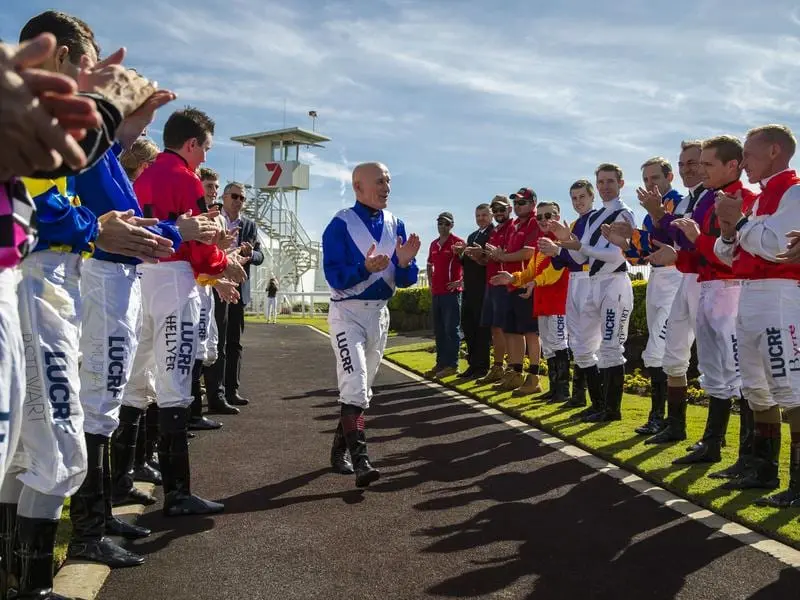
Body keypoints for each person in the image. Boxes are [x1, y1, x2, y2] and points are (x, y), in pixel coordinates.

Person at [126, 106, 245, 518]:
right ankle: (178, 494)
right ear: (191, 144)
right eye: (206, 149)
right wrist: (223, 263)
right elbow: (197, 242)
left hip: (138, 279)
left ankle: (125, 475)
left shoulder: (144, 175)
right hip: (175, 281)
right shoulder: (186, 178)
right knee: (175, 383)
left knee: (137, 380)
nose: (206, 158)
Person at [714, 124, 800, 505]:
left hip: (778, 296)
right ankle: (762, 470)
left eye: (749, 153)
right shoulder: (760, 197)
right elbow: (728, 254)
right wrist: (732, 229)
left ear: (774, 151)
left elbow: (774, 247)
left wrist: (744, 224)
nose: (744, 161)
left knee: (790, 387)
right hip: (750, 294)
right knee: (755, 386)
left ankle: (797, 484)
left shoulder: (793, 191)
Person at [322, 162, 420, 487]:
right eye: (379, 181)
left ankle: (339, 451)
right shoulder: (340, 224)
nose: (386, 187)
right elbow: (335, 276)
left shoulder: (396, 224)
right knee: (355, 383)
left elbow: (405, 279)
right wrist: (363, 268)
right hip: (347, 314)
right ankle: (361, 461)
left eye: (389, 181)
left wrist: (405, 263)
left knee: (361, 392)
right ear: (359, 186)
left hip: (379, 315)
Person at [663, 136, 756, 465]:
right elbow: (697, 256)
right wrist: (681, 252)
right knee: (713, 371)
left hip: (730, 291)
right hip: (707, 288)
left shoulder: (744, 199)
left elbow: (731, 256)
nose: (701, 169)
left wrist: (696, 241)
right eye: (698, 163)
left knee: (742, 375)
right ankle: (712, 445)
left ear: (732, 165)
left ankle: (748, 457)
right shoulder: (711, 200)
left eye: (707, 164)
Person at [546, 164, 635, 422]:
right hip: (594, 283)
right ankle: (597, 404)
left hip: (614, 282)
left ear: (620, 183)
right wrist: (565, 240)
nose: (605, 186)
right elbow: (579, 255)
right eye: (601, 182)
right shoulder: (595, 218)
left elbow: (615, 254)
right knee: (582, 347)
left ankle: (611, 410)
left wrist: (580, 245)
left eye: (610, 181)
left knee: (611, 348)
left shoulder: (624, 213)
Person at [492, 202, 570, 401]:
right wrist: (513, 278)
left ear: (558, 216)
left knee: (559, 346)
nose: (544, 220)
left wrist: (535, 281)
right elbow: (530, 272)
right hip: (542, 303)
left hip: (558, 304)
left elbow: (554, 272)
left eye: (549, 216)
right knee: (551, 347)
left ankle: (562, 391)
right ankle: (552, 389)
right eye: (541, 217)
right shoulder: (540, 244)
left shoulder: (561, 242)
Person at [538, 180, 601, 410]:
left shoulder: (595, 219)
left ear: (591, 196)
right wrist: (557, 251)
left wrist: (559, 249)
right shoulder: (574, 224)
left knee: (587, 343)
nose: (578, 202)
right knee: (576, 342)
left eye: (582, 197)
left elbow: (582, 256)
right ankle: (578, 396)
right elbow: (564, 260)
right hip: (575, 282)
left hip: (588, 281)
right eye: (574, 198)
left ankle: (591, 400)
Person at [205, 182, 264, 413]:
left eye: (242, 198)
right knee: (215, 343)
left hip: (239, 289)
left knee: (234, 343)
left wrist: (250, 254)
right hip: (216, 287)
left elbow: (261, 256)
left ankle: (231, 390)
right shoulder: (212, 218)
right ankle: (215, 394)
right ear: (224, 197)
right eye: (235, 196)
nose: (239, 201)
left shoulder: (249, 225)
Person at [485, 188, 541, 394]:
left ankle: (534, 378)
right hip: (510, 284)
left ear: (533, 203)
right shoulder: (516, 224)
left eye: (522, 202)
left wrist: (502, 257)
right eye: (516, 203)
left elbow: (529, 252)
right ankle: (516, 373)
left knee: (530, 331)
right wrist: (501, 256)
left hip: (526, 283)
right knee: (511, 330)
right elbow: (508, 252)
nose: (518, 207)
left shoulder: (534, 222)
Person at [453, 204, 493, 379]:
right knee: (469, 327)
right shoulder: (472, 235)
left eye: (484, 215)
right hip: (469, 288)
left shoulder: (493, 234)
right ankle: (473, 364)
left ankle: (482, 366)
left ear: (490, 215)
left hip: (483, 288)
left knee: (481, 329)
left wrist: (478, 254)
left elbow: (489, 260)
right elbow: (466, 263)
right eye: (478, 215)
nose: (481, 218)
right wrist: (461, 253)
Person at [476, 196, 513, 385]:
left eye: (502, 209)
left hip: (504, 284)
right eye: (495, 209)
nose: (499, 213)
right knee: (495, 328)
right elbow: (489, 260)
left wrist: (498, 256)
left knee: (505, 329)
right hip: (491, 284)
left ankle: (510, 369)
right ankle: (497, 367)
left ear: (510, 209)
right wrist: (479, 257)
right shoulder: (495, 231)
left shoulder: (512, 228)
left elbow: (510, 256)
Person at [425, 212, 464, 379]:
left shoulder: (458, 243)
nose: (443, 226)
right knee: (439, 330)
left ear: (452, 225)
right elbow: (429, 264)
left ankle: (452, 365)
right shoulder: (433, 244)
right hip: (437, 293)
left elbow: (469, 266)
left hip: (451, 294)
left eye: (446, 224)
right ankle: (440, 363)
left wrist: (460, 282)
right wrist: (430, 282)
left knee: (451, 329)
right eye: (440, 223)